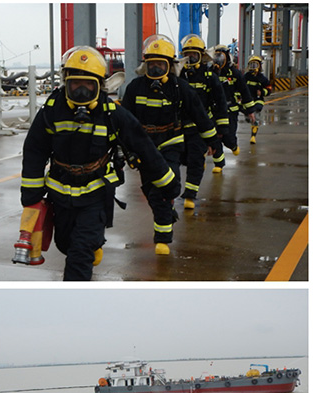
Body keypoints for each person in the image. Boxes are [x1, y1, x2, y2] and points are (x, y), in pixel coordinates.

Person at [20, 46, 180, 280]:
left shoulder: (112, 114)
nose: (81, 91)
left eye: (89, 85)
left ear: (100, 86)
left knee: (79, 253)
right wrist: (31, 196)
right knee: (65, 244)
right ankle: (90, 246)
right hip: (60, 195)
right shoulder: (51, 111)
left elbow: (144, 147)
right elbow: (34, 150)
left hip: (95, 195)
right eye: (75, 84)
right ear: (65, 82)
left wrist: (169, 185)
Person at [122, 34, 220, 254]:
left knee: (166, 185)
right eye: (151, 64)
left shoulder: (180, 88)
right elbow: (124, 121)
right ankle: (167, 209)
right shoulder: (135, 87)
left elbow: (200, 115)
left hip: (171, 142)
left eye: (160, 64)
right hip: (145, 146)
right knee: (151, 190)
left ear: (170, 66)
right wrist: (123, 150)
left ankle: (163, 239)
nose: (155, 68)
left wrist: (213, 141)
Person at [178, 34, 229, 208]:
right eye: (187, 54)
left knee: (195, 160)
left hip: (200, 127)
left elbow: (220, 102)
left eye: (194, 54)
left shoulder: (209, 77)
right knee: (179, 159)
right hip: (179, 128)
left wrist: (221, 129)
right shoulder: (177, 77)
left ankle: (190, 195)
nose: (190, 58)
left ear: (202, 55)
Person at [212, 44, 256, 166]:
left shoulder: (235, 73)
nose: (218, 59)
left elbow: (244, 91)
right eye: (216, 56)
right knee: (215, 138)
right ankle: (219, 165)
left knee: (228, 138)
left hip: (230, 111)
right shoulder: (211, 73)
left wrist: (250, 111)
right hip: (215, 111)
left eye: (221, 56)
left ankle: (233, 145)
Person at [244, 55, 271, 144]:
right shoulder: (246, 77)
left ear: (259, 66)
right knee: (248, 117)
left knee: (255, 116)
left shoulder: (262, 78)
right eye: (251, 64)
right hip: (247, 100)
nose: (253, 67)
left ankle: (253, 136)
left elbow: (269, 89)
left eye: (255, 64)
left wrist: (262, 92)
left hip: (257, 100)